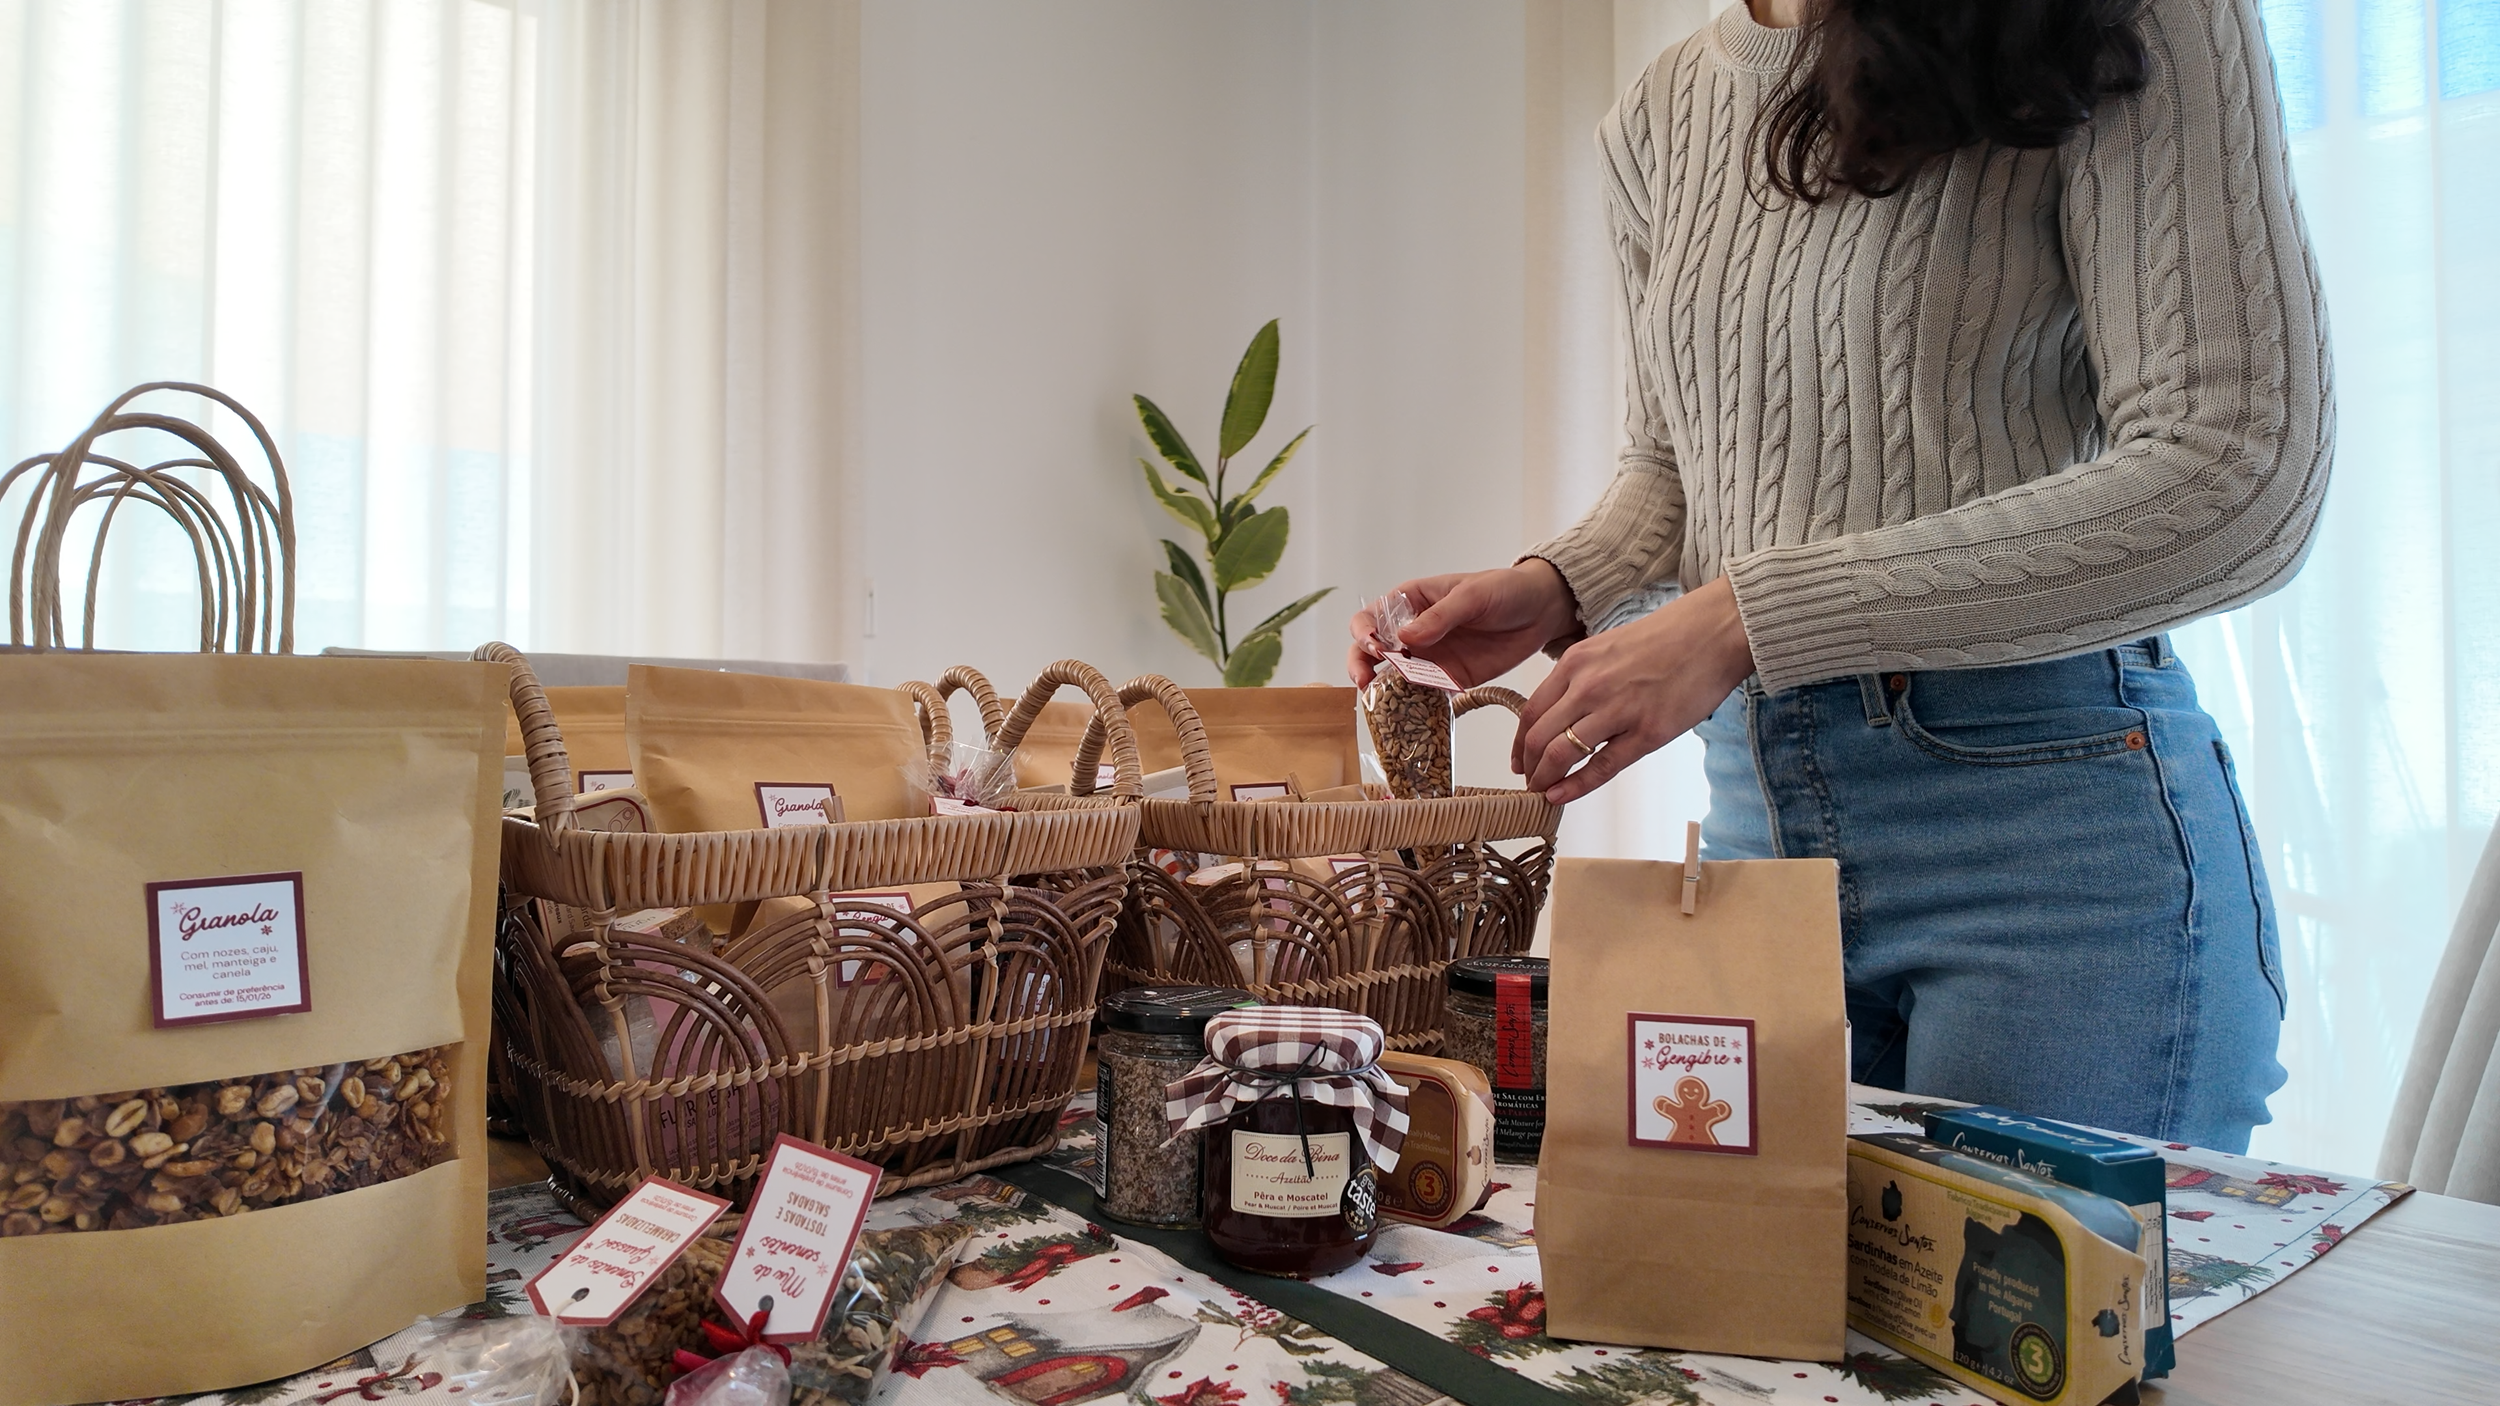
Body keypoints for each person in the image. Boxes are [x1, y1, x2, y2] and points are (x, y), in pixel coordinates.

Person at [1349, 0, 2329, 1153]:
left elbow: (2237, 467)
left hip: (2049, 846)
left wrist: (1748, 616)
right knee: (1738, 1322)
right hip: (1768, 826)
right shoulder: (1659, 112)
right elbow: (1678, 464)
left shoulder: (2126, 15)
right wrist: (1559, 582)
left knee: (2032, 1331)